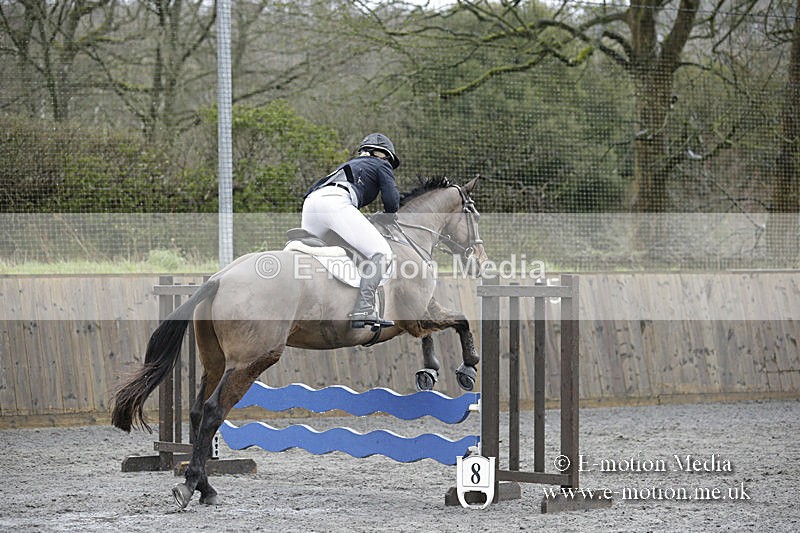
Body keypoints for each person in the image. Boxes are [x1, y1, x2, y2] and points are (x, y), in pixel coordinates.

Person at [302, 133, 401, 329]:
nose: (389, 163)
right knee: (382, 253)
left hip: (311, 203)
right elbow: (391, 202)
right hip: (335, 202)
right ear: (383, 154)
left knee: (314, 253)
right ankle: (364, 307)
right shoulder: (381, 165)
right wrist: (389, 215)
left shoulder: (349, 165)